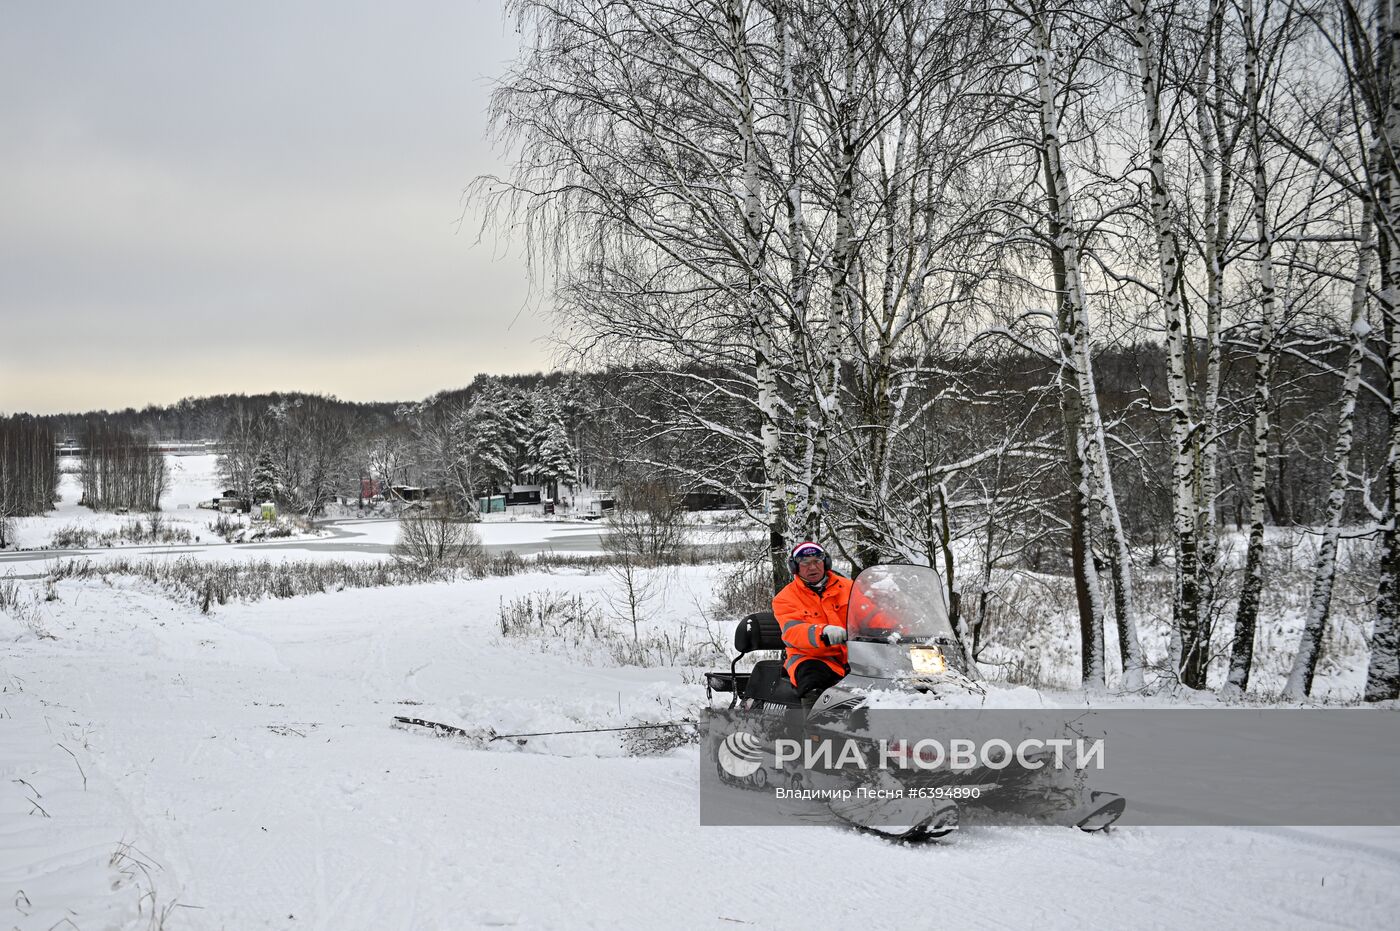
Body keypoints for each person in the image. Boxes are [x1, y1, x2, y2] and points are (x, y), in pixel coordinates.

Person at [772, 541, 853, 710]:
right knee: (812, 680)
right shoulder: (785, 598)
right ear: (795, 567)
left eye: (817, 561)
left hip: (855, 656)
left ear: (826, 562)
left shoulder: (850, 587)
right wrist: (822, 632)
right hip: (811, 657)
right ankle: (815, 726)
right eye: (805, 563)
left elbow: (873, 614)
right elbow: (792, 631)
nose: (812, 567)